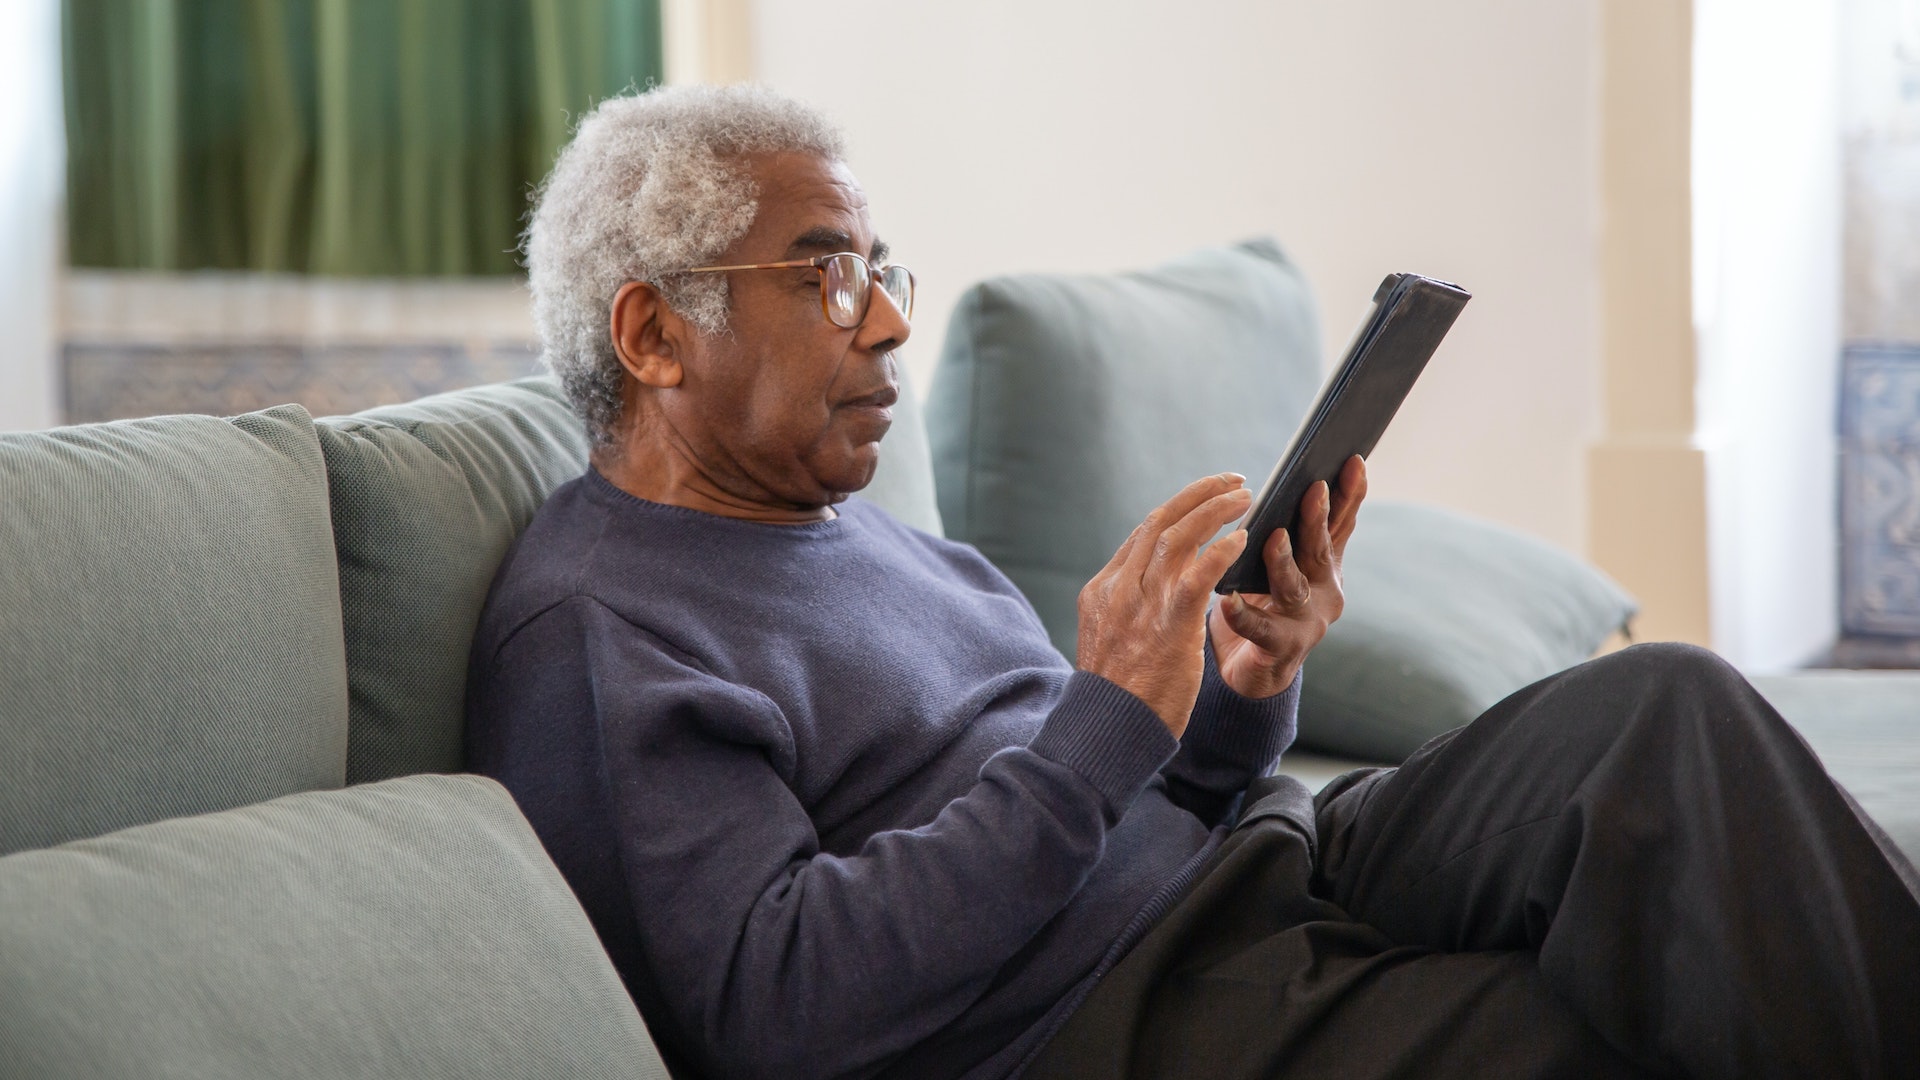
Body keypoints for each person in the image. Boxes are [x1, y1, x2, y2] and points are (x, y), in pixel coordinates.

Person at [464, 84, 1920, 1080]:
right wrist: (1101, 719)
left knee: (1661, 715)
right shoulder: (604, 631)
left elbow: (1151, 793)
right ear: (655, 333)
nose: (893, 320)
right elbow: (775, 1012)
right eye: (828, 275)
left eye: (882, 266)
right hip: (1111, 1013)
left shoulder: (883, 542)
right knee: (1595, 1030)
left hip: (1263, 871)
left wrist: (1235, 698)